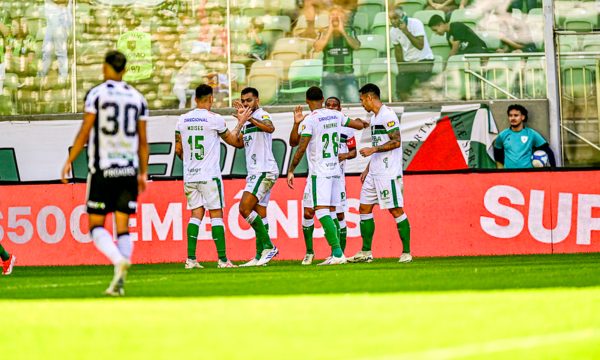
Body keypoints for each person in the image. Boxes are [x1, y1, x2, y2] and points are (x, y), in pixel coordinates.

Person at [61, 51, 149, 296]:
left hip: (103, 168)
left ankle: (117, 261)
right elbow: (143, 141)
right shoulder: (138, 97)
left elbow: (85, 131)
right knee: (123, 228)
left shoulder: (97, 94)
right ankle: (119, 282)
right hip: (129, 170)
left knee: (96, 225)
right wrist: (143, 172)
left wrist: (69, 160)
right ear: (125, 69)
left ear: (106, 67)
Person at [288, 86, 366, 265]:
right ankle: (336, 253)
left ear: (307, 101)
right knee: (331, 213)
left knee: (321, 211)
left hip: (320, 172)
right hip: (335, 171)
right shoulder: (337, 115)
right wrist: (363, 122)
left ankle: (338, 253)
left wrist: (291, 169)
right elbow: (357, 125)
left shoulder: (311, 120)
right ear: (322, 99)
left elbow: (300, 148)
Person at [175, 84, 244, 269]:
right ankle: (222, 260)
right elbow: (235, 142)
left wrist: (191, 160)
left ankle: (191, 259)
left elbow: (178, 151)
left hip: (190, 175)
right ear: (211, 99)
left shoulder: (182, 120)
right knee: (216, 215)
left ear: (195, 99)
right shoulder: (215, 119)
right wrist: (241, 122)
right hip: (209, 175)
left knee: (195, 215)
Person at [347, 83, 412, 264]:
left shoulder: (387, 115)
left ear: (370, 97)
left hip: (387, 172)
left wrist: (373, 149)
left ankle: (406, 252)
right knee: (364, 209)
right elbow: (380, 143)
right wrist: (367, 168)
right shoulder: (375, 118)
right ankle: (366, 252)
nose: (362, 104)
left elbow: (396, 141)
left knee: (396, 210)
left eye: (362, 100)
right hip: (374, 172)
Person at [229, 87, 280, 267]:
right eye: (243, 101)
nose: (245, 104)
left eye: (249, 100)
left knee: (244, 209)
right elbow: (238, 143)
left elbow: (270, 128)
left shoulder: (263, 114)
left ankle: (269, 246)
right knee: (260, 213)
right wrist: (232, 128)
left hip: (264, 170)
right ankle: (259, 257)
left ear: (257, 100)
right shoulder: (248, 122)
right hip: (255, 171)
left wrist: (248, 117)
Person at [313, 6, 361, 103]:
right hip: (329, 75)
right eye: (332, 15)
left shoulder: (350, 30)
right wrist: (330, 31)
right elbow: (317, 48)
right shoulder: (323, 31)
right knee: (331, 105)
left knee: (354, 102)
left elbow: (356, 46)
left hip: (348, 74)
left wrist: (342, 31)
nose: (335, 17)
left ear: (343, 17)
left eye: (337, 15)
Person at [389, 8, 434, 101]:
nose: (393, 21)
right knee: (401, 88)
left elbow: (420, 46)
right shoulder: (393, 31)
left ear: (403, 17)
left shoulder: (416, 23)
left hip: (424, 60)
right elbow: (398, 50)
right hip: (408, 62)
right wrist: (401, 69)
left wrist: (406, 32)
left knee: (426, 89)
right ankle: (408, 110)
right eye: (391, 19)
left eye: (395, 18)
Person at [493, 104, 556, 169]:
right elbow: (497, 155)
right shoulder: (502, 135)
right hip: (509, 174)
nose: (513, 118)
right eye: (510, 115)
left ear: (523, 117)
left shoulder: (531, 134)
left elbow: (548, 151)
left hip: (527, 173)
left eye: (516, 115)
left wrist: (554, 170)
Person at [39, 0, 72, 81]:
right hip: (51, 13)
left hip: (63, 14)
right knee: (46, 51)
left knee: (60, 50)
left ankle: (63, 77)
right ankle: (40, 77)